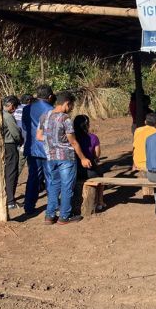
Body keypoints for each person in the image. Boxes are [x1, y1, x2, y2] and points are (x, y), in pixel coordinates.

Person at [37, 91, 91, 225]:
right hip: (66, 157)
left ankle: (49, 216)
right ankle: (64, 216)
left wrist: (52, 141)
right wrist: (83, 158)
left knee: (54, 185)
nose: (72, 108)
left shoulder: (44, 116)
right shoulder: (65, 119)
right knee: (67, 186)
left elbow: (38, 136)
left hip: (51, 156)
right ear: (67, 103)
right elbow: (73, 141)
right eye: (71, 105)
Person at [22, 85, 54, 215]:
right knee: (51, 177)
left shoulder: (26, 109)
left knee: (33, 177)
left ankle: (29, 206)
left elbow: (24, 127)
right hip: (47, 147)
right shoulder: (51, 110)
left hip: (31, 147)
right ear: (50, 97)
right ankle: (53, 206)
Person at [73, 115, 104, 210]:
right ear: (87, 125)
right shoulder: (93, 137)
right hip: (89, 171)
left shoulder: (72, 138)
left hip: (75, 171)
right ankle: (100, 202)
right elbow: (97, 154)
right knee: (100, 176)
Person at [3, 95, 23, 210]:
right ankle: (10, 201)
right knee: (11, 172)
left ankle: (8, 198)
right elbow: (15, 133)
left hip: (3, 146)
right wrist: (20, 140)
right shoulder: (8, 116)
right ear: (10, 105)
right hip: (10, 146)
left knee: (6, 172)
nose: (14, 110)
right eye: (14, 107)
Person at [14, 94, 33, 176]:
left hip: (16, 139)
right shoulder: (29, 110)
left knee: (18, 161)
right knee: (26, 161)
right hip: (26, 140)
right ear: (29, 101)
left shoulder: (15, 109)